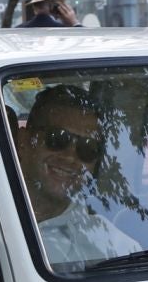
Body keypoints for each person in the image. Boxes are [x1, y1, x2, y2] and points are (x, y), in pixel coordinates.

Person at [16, 84, 140, 265]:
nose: (70, 157)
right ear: (22, 141)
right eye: (58, 138)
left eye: (88, 148)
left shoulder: (117, 249)